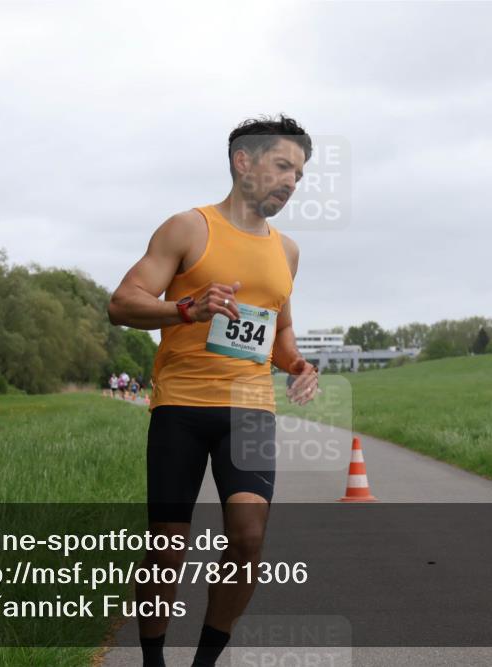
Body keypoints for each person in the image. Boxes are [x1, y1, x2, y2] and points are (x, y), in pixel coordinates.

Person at [108, 114, 319, 667]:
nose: (291, 182)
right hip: (180, 405)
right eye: (282, 166)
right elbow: (123, 302)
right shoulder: (188, 228)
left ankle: (205, 661)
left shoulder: (288, 251)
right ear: (242, 161)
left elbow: (280, 328)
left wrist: (296, 363)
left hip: (249, 408)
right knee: (167, 548)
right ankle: (153, 659)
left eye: (298, 174)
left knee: (247, 542)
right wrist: (185, 308)